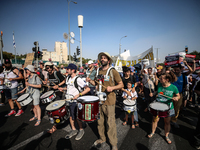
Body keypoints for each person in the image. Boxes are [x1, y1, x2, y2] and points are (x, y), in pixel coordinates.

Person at [87, 52, 124, 150]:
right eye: (101, 58)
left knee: (110, 123)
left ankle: (113, 143)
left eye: (104, 58)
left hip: (109, 101)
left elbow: (121, 85)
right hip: (99, 101)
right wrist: (90, 81)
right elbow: (96, 83)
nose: (102, 59)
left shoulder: (113, 71)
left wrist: (112, 88)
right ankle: (102, 138)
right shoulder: (98, 70)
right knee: (100, 121)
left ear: (109, 60)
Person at [148, 71, 180, 144]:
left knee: (167, 122)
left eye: (161, 78)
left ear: (167, 80)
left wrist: (176, 98)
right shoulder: (159, 84)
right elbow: (157, 92)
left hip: (168, 107)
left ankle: (166, 136)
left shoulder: (173, 87)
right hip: (158, 105)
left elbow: (178, 95)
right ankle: (153, 132)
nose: (159, 79)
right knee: (155, 120)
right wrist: (153, 93)